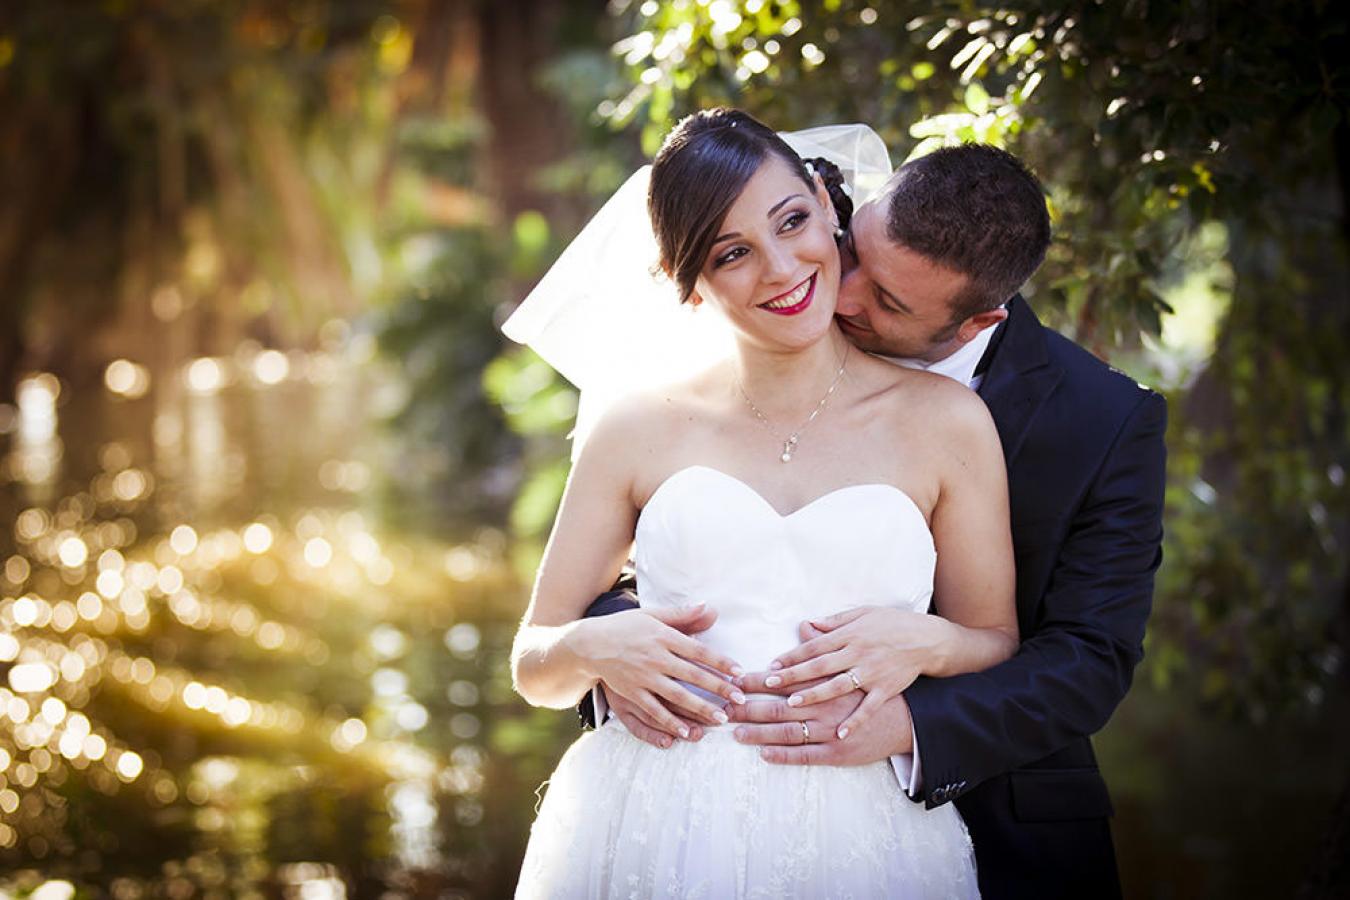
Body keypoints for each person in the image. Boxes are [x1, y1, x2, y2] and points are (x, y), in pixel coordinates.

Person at [588, 142, 1169, 898]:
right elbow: (661, 543)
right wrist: (622, 655)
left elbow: (1089, 660)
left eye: (889, 303)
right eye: (854, 251)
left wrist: (905, 722)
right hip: (696, 797)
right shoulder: (779, 274)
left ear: (977, 321)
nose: (842, 295)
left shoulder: (1105, 421)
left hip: (992, 811)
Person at [509, 108, 1020, 897]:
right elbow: (533, 663)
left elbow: (995, 639)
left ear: (822, 199)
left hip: (862, 828)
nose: (781, 269)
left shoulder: (948, 423)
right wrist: (594, 647)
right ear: (687, 281)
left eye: (791, 221)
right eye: (733, 253)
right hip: (651, 819)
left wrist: (927, 644)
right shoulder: (637, 428)